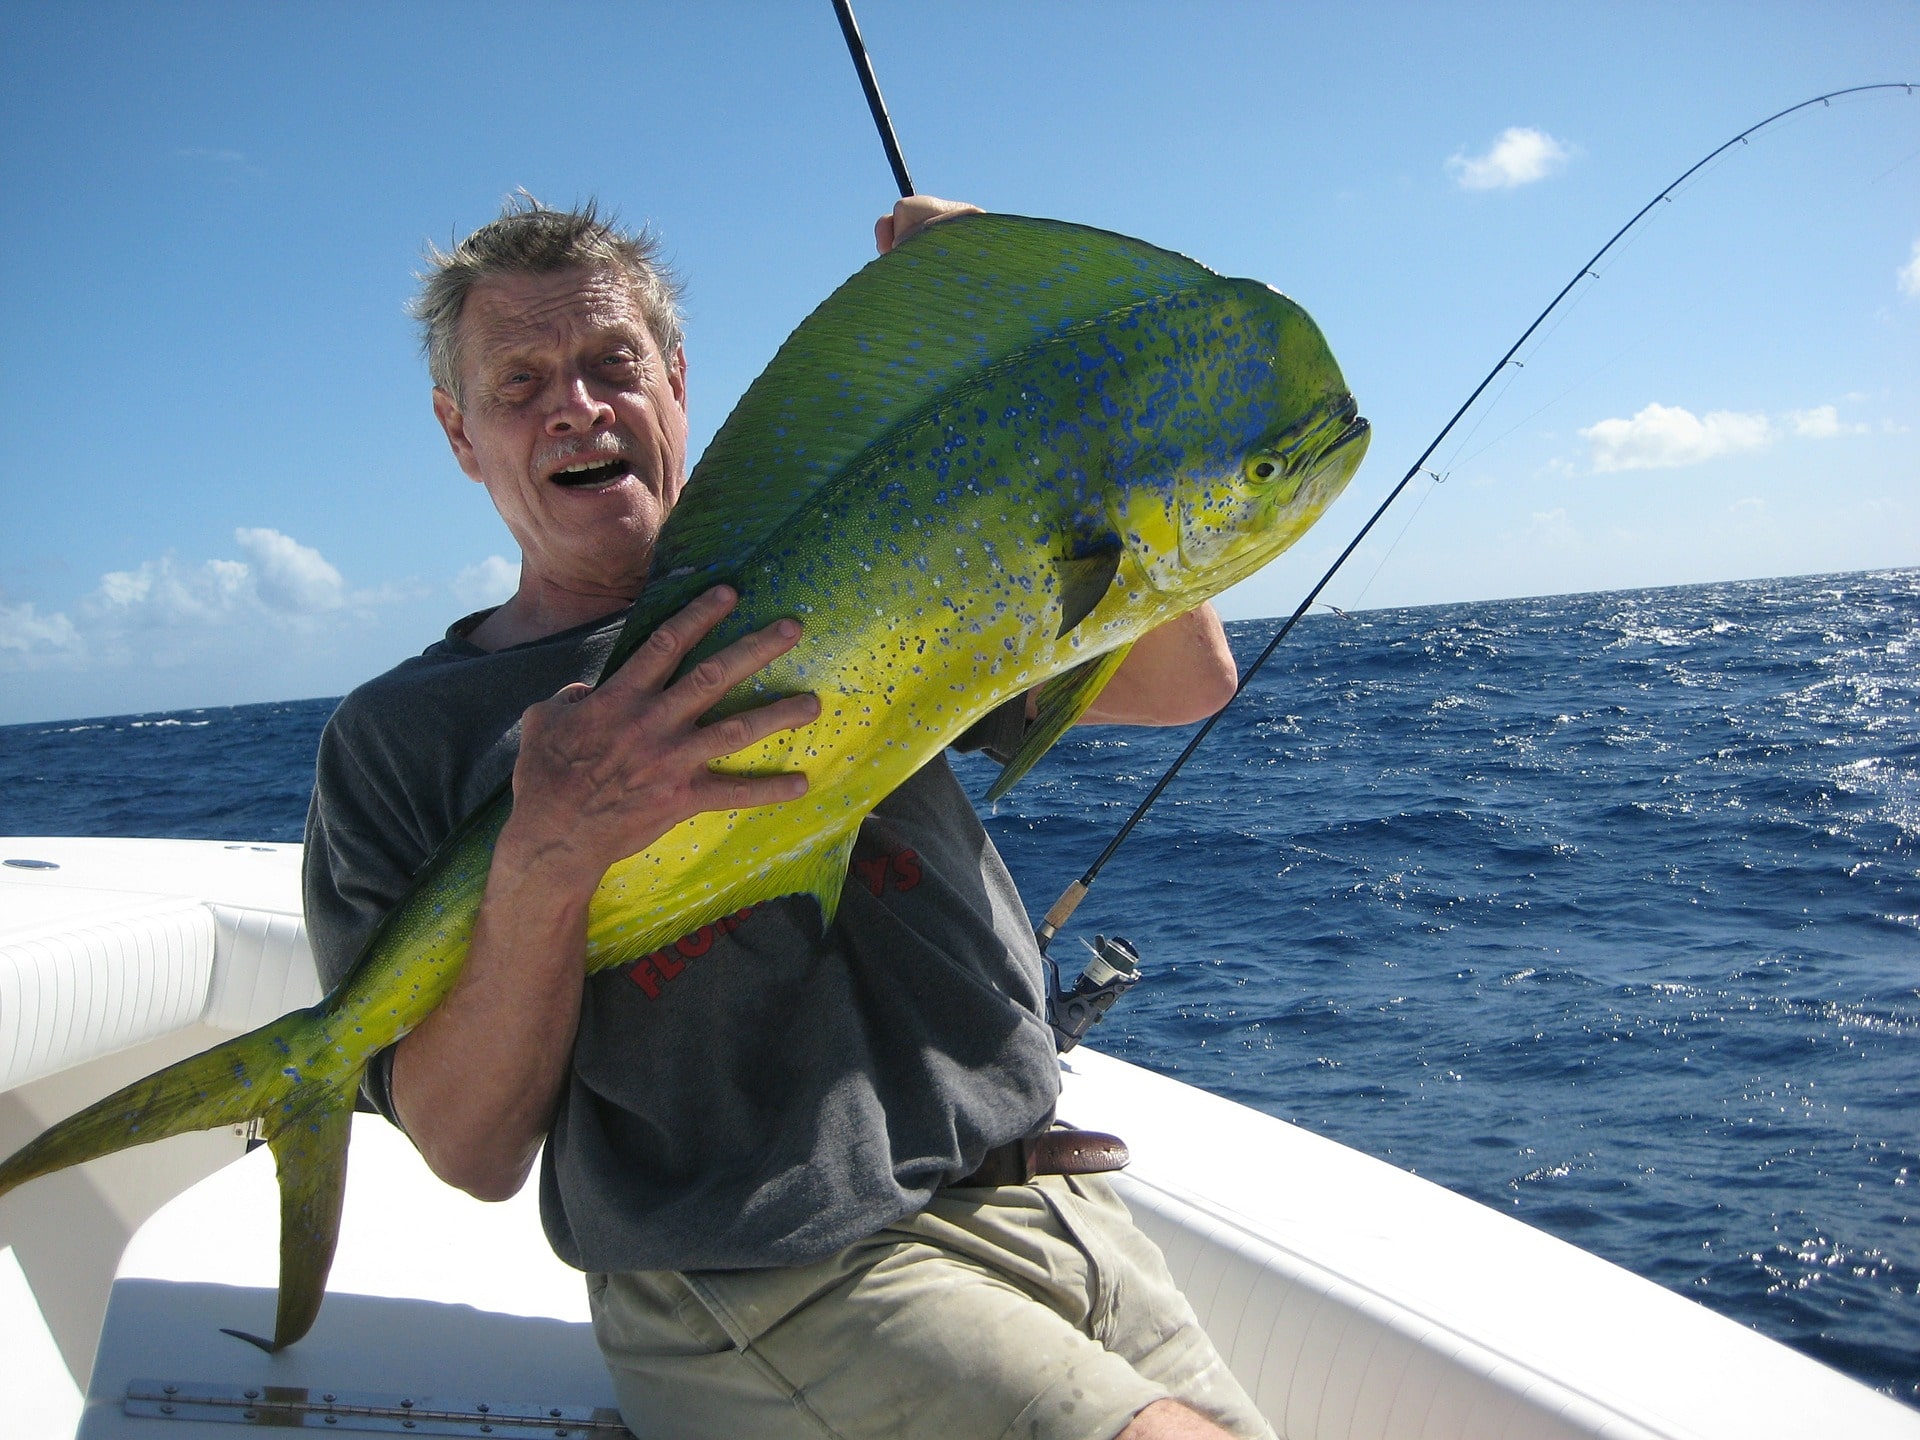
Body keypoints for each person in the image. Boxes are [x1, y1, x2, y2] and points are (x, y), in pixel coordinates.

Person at [303, 193, 1275, 1440]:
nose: (578, 407)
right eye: (520, 381)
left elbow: (1181, 682)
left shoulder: (857, 569)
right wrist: (548, 853)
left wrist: (1056, 367)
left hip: (1054, 1196)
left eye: (613, 365)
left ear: (676, 379)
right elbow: (468, 1146)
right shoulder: (401, 737)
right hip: (766, 1274)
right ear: (459, 432)